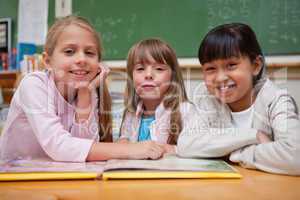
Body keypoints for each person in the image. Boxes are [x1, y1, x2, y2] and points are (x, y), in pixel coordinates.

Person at [0, 16, 164, 162]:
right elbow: (59, 146)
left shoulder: (88, 92)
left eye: (89, 53)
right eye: (69, 51)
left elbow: (82, 149)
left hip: (56, 175)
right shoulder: (34, 85)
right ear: (48, 61)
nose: (81, 59)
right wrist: (130, 149)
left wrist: (86, 93)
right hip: (15, 175)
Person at [177, 23, 300, 175]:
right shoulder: (207, 97)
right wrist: (252, 135)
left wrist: (238, 154)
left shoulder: (276, 100)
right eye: (210, 69)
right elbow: (186, 144)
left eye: (231, 65)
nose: (221, 77)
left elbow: (295, 156)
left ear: (255, 66)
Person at [118, 38, 194, 153]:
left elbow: (196, 150)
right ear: (131, 78)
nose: (148, 75)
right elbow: (124, 139)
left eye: (159, 69)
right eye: (140, 69)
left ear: (172, 77)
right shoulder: (130, 113)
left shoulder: (185, 111)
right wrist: (123, 143)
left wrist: (168, 149)